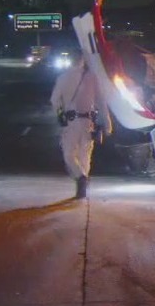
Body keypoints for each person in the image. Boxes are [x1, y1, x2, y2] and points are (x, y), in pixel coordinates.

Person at [50, 50, 112, 199]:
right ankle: (82, 183)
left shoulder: (63, 78)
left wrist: (59, 113)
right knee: (85, 154)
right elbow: (101, 102)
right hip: (88, 122)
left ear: (70, 60)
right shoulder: (92, 78)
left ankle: (80, 178)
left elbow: (54, 100)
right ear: (82, 60)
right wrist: (107, 123)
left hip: (71, 122)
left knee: (69, 154)